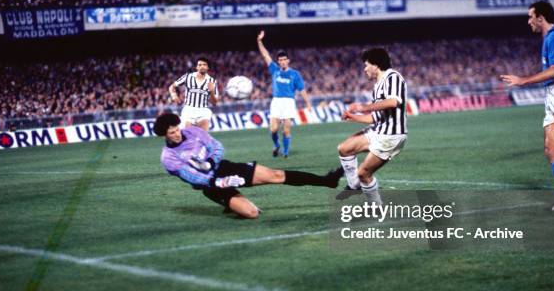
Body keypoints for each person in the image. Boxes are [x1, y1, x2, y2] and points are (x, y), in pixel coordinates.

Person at [155, 113, 343, 219]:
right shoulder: (169, 157)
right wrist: (218, 182)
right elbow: (191, 177)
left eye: (177, 129)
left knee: (276, 175)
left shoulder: (193, 131)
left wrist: (212, 161)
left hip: (224, 168)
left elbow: (216, 147)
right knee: (252, 213)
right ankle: (232, 200)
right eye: (172, 132)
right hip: (211, 185)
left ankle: (328, 181)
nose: (177, 134)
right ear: (165, 135)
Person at [500, 0, 554, 211]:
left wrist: (523, 80)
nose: (528, 21)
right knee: (551, 148)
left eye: (530, 17)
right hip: (553, 94)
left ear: (540, 18)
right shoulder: (550, 37)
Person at [336, 47, 408, 203]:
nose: (365, 69)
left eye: (366, 64)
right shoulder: (377, 85)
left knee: (364, 173)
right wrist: (353, 117)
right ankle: (354, 186)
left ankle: (377, 207)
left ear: (376, 65)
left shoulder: (393, 77)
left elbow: (393, 102)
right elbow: (375, 117)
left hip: (391, 136)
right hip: (379, 130)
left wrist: (362, 107)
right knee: (344, 148)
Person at [257, 30, 312, 158]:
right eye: (280, 60)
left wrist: (308, 104)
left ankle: (285, 152)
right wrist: (259, 41)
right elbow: (265, 55)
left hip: (288, 102)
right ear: (278, 62)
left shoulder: (295, 74)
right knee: (273, 129)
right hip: (276, 102)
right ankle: (276, 145)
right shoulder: (274, 70)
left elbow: (302, 90)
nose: (282, 62)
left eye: (284, 60)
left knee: (286, 130)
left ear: (288, 61)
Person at [169, 57, 219, 131]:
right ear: (196, 67)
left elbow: (215, 103)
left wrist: (211, 91)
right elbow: (171, 87)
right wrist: (174, 95)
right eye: (200, 65)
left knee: (203, 137)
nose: (202, 66)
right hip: (188, 110)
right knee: (188, 137)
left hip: (203, 111)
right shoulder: (188, 77)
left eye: (204, 65)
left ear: (208, 67)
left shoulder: (212, 81)